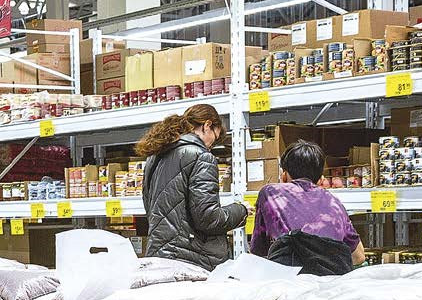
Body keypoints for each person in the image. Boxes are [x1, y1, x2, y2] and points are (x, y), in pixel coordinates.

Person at [137, 103, 248, 271]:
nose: (211, 146)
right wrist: (240, 210)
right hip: (190, 259)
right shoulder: (201, 156)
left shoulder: (154, 157)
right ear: (207, 125)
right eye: (215, 138)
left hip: (158, 256)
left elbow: (149, 206)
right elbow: (208, 218)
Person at [250, 138, 365, 274]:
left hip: (291, 278)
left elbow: (258, 252)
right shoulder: (334, 201)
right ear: (321, 179)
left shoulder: (270, 193)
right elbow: (359, 256)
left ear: (284, 175)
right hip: (332, 280)